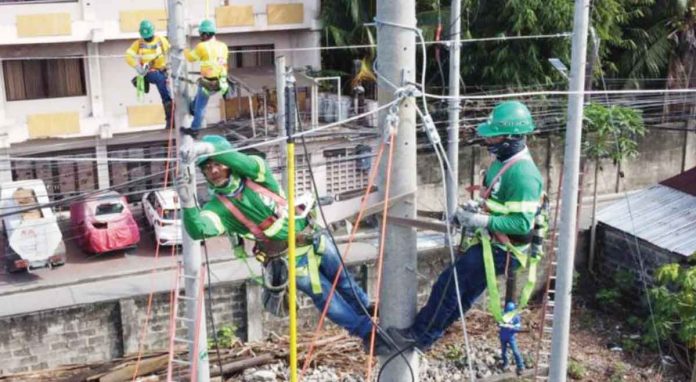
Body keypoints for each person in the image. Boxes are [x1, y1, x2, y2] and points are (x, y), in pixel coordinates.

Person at [177, 135, 378, 346]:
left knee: (343, 279)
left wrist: (207, 148)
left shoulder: (258, 175)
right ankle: (367, 333)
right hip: (290, 258)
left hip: (314, 238)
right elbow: (200, 229)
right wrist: (188, 203)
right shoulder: (219, 208)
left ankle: (367, 308)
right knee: (328, 298)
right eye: (207, 168)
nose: (213, 171)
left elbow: (242, 162)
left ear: (228, 162)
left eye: (217, 164)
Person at [378, 100, 544, 354]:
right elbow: (494, 200)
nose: (488, 142)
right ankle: (428, 335)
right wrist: (471, 211)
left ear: (512, 137)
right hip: (493, 240)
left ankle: (419, 335)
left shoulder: (523, 175)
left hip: (506, 248)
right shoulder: (502, 161)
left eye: (494, 137)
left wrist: (482, 221)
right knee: (462, 292)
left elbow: (522, 223)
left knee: (449, 284)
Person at [182, 20, 230, 138]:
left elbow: (191, 58)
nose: (200, 37)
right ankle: (192, 110)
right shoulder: (223, 46)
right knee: (196, 103)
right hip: (220, 82)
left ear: (206, 34)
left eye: (201, 34)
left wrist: (184, 49)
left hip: (207, 83)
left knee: (200, 107)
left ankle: (194, 129)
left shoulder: (202, 46)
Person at [125, 20, 172, 128]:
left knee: (165, 87)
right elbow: (128, 56)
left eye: (149, 36)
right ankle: (169, 116)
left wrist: (169, 65)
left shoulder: (160, 40)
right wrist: (138, 67)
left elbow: (171, 51)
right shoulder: (138, 44)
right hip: (149, 72)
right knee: (160, 81)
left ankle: (170, 113)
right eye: (145, 37)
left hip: (162, 70)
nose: (147, 38)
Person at [499, 302, 525, 375]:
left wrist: (512, 327)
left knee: (515, 351)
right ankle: (505, 363)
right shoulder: (502, 314)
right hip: (503, 335)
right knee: (503, 352)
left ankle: (520, 365)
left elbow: (518, 327)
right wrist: (501, 324)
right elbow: (499, 322)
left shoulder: (516, 317)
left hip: (511, 337)